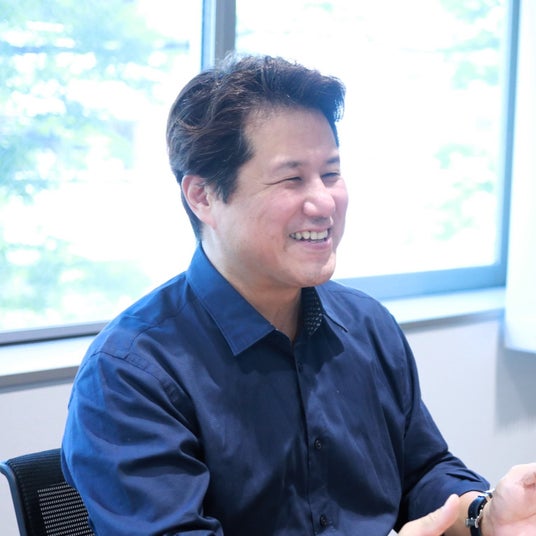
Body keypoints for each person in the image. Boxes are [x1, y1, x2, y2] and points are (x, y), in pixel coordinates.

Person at [61, 54, 536, 535]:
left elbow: (424, 470)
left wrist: (484, 513)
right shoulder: (130, 372)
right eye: (292, 179)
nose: (324, 202)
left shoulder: (367, 325)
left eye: (330, 174)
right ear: (203, 196)